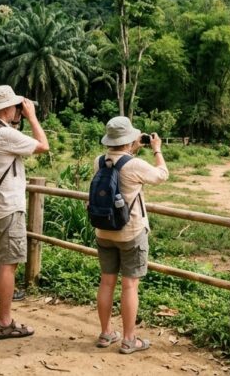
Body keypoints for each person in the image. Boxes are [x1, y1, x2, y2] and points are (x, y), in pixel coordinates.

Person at [0, 85, 49, 339]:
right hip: (6, 207)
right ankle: (5, 322)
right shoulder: (4, 134)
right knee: (8, 265)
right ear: (6, 108)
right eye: (16, 106)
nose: (19, 109)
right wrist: (32, 117)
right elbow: (43, 145)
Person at [94, 116, 168, 354]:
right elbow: (162, 175)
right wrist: (156, 151)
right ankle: (129, 339)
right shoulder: (134, 165)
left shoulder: (99, 161)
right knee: (129, 286)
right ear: (130, 139)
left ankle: (106, 333)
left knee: (106, 282)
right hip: (130, 232)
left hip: (104, 230)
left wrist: (131, 147)